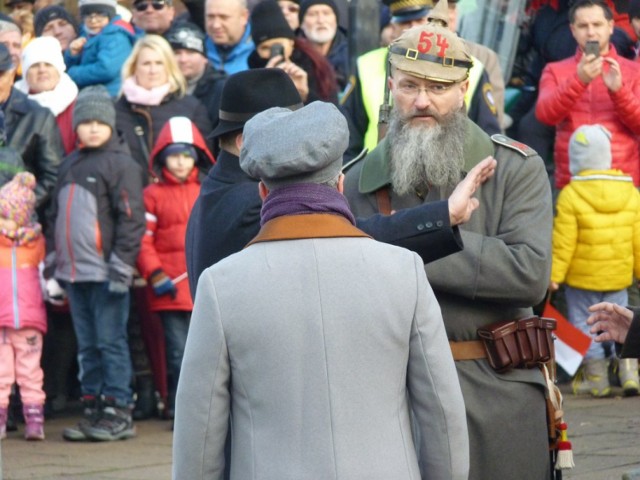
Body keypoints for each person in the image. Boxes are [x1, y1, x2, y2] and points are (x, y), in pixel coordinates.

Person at [173, 100, 469, 479]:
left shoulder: (220, 286)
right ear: (340, 184)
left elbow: (198, 436)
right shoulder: (402, 270)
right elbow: (442, 413)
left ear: (263, 192)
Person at [343, 4, 554, 478]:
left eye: (438, 88)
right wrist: (437, 231)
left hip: (493, 392)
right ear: (390, 87)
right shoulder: (354, 180)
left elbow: (528, 274)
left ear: (463, 91)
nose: (423, 101)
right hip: (387, 396)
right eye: (411, 86)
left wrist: (397, 244)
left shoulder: (516, 168)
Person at [185, 67, 496, 295]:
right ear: (244, 142)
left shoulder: (215, 192)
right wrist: (444, 215)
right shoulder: (253, 201)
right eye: (291, 133)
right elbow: (351, 240)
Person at [44, 85, 145, 442]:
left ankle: (118, 408)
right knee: (87, 344)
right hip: (74, 273)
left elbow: (132, 221)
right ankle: (94, 406)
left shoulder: (121, 164)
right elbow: (56, 215)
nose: (90, 127)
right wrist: (53, 265)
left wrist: (121, 267)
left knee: (110, 341)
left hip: (107, 275)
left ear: (109, 123)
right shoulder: (69, 163)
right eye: (83, 121)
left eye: (97, 121)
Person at [341, 0, 500, 161]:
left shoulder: (471, 68)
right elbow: (347, 142)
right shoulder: (367, 65)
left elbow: (489, 143)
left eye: (438, 87)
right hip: (379, 176)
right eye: (405, 22)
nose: (413, 29)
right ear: (393, 27)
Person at [549, 124, 640, 397]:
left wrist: (554, 276)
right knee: (622, 322)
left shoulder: (571, 196)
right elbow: (638, 238)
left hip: (582, 280)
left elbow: (564, 242)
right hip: (619, 277)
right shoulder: (631, 193)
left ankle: (597, 378)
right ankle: (629, 373)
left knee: (586, 324)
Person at [136, 116, 214, 420]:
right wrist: (155, 274)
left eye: (185, 155)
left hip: (201, 286)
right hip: (168, 288)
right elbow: (143, 241)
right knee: (177, 353)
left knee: (205, 354)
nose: (180, 163)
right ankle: (182, 410)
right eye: (173, 156)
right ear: (162, 159)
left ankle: (203, 410)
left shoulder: (207, 192)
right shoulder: (152, 195)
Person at [536, 0, 640, 190]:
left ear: (611, 27)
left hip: (622, 184)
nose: (591, 32)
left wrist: (619, 92)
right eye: (583, 26)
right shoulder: (555, 70)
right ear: (573, 30)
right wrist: (579, 80)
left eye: (597, 25)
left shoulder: (635, 72)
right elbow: (545, 115)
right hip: (572, 183)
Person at [115, 34, 213, 183]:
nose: (153, 70)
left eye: (159, 63)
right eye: (146, 63)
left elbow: (205, 162)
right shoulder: (116, 110)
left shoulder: (192, 108)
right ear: (134, 67)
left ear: (169, 66)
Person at [0, 172, 47, 441]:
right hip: (1, 319)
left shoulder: (36, 244)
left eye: (8, 215)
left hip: (29, 320)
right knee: (1, 372)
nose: (4, 222)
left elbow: (45, 277)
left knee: (30, 371)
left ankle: (34, 420)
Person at [0, 42, 63, 214]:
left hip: (19, 225)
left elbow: (53, 176)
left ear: (11, 74)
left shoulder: (38, 116)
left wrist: (17, 208)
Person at [249, 0, 337, 104]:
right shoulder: (249, 78)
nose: (273, 54)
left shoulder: (318, 71)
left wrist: (305, 94)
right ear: (257, 50)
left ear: (291, 44)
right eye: (265, 48)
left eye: (278, 46)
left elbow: (338, 115)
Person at [14, 36, 78, 154]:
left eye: (48, 64)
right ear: (25, 72)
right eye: (34, 65)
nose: (42, 70)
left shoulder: (78, 104)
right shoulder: (11, 102)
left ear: (58, 69)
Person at [64, 0, 137, 97]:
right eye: (88, 15)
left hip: (111, 96)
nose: (93, 21)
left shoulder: (115, 36)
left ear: (110, 15)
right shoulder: (86, 34)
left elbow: (106, 69)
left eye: (100, 15)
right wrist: (73, 54)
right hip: (92, 94)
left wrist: (73, 73)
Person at [165, 21, 226, 129]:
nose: (183, 59)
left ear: (205, 58)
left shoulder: (221, 89)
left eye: (190, 52)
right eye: (177, 53)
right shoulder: (159, 88)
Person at [297, 0, 349, 94]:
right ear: (301, 23)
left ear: (336, 20)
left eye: (326, 13)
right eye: (313, 14)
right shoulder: (293, 57)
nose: (320, 20)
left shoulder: (351, 55)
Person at [204, 0, 253, 74]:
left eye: (224, 17)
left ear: (244, 17)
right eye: (210, 17)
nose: (216, 25)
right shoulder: (196, 52)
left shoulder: (260, 52)